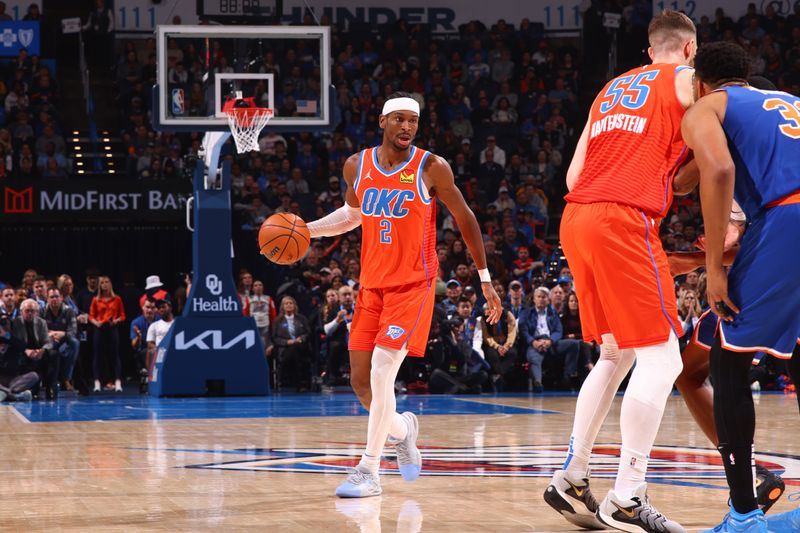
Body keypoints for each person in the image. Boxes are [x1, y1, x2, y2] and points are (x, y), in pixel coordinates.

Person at [305, 91, 501, 498]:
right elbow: (351, 217)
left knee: (381, 371)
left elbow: (465, 217)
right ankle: (404, 428)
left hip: (414, 285)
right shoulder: (356, 165)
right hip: (372, 286)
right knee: (362, 385)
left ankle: (368, 470)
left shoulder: (431, 167)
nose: (407, 127)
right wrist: (307, 228)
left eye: (412, 121)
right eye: (399, 120)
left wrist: (484, 277)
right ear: (382, 121)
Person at [544, 10, 696, 531]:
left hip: (577, 216)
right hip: (622, 219)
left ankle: (573, 473)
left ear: (650, 49)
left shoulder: (610, 89)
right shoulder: (685, 81)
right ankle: (628, 494)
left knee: (617, 352)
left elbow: (573, 173)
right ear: (690, 50)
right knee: (664, 359)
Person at [681, 41, 800, 533]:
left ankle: (743, 515)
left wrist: (713, 266)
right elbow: (685, 181)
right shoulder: (790, 102)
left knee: (727, 365)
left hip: (788, 218)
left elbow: (720, 169)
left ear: (699, 82)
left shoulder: (707, 106)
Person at [89, 276, 125, 393]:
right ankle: (97, 382)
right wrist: (96, 323)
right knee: (97, 356)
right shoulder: (95, 299)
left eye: (107, 282)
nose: (104, 284)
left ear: (110, 284)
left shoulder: (117, 299)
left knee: (115, 355)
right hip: (99, 329)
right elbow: (91, 316)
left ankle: (118, 381)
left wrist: (117, 320)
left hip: (112, 328)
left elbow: (123, 315)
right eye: (102, 283)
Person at [130, 297, 157, 393]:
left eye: (153, 307)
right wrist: (138, 337)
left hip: (159, 350)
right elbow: (133, 345)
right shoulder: (136, 322)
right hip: (143, 352)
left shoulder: (160, 321)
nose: (150, 310)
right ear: (143, 307)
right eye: (147, 307)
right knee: (148, 351)